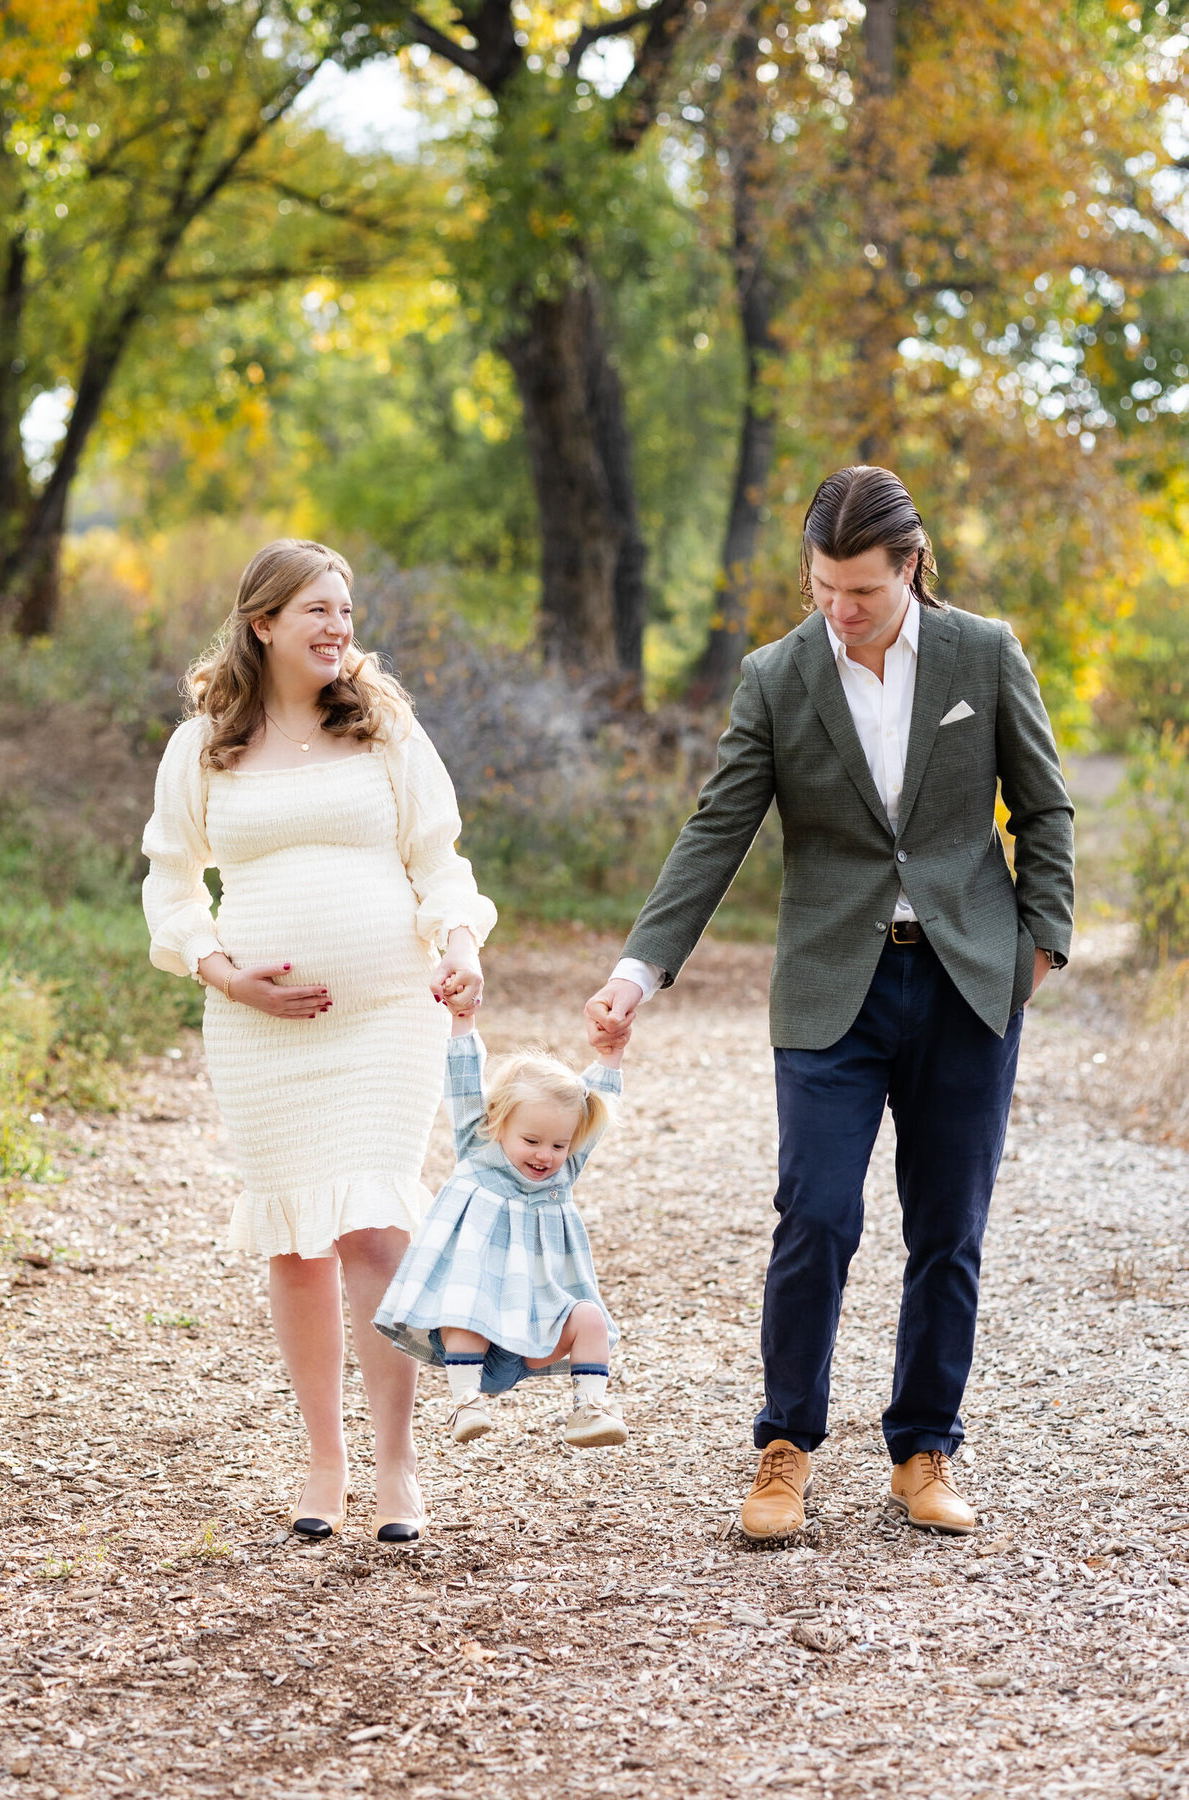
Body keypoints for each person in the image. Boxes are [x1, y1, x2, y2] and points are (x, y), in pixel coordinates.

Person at [585, 465, 1074, 1539]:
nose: (840, 610)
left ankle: (925, 1450)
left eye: (862, 590)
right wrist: (639, 969)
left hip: (965, 985)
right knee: (815, 1217)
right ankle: (784, 1451)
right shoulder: (775, 676)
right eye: (822, 587)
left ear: (911, 566)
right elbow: (717, 829)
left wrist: (1042, 944)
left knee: (950, 1226)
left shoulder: (982, 655)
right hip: (828, 990)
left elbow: (1044, 806)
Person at [142, 538, 496, 1547]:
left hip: (388, 1011)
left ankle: (396, 1465)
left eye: (345, 610)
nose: (339, 628)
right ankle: (322, 1458)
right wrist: (221, 969)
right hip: (259, 1029)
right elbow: (170, 887)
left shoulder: (384, 728)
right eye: (316, 611)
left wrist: (461, 942)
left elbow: (440, 859)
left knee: (375, 1227)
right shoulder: (203, 746)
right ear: (263, 624)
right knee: (296, 1244)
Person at [374, 1001, 628, 1450]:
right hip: (470, 1335)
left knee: (589, 1315)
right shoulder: (478, 1149)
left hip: (533, 1337)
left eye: (558, 1145)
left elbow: (596, 1113)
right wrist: (462, 1021)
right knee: (465, 1303)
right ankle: (465, 1402)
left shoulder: (563, 1173)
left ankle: (590, 1408)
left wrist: (610, 1057)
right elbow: (464, 1083)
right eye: (531, 1140)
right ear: (498, 1123)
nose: (545, 1155)